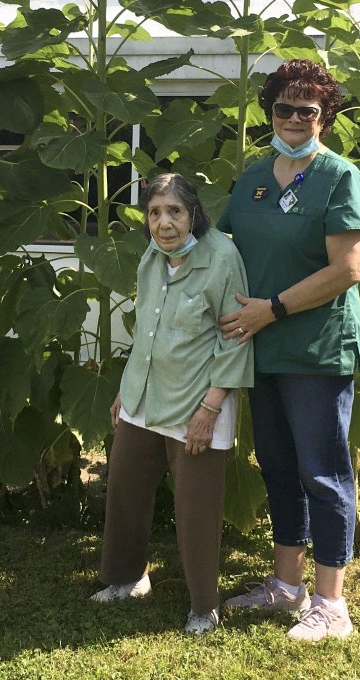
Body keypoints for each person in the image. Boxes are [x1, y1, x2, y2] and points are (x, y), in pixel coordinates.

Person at [217, 58, 360, 642]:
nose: (296, 118)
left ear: (324, 117)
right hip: (261, 346)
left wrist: (272, 308)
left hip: (315, 349)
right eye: (285, 108)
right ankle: (287, 587)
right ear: (270, 113)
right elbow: (220, 243)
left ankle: (332, 602)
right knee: (278, 467)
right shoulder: (254, 178)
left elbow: (348, 269)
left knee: (323, 472)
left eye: (309, 110)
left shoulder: (339, 177)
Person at [91, 172, 254, 636]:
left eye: (175, 212)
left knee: (196, 506)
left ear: (194, 214)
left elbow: (237, 336)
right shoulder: (153, 256)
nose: (165, 223)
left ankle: (204, 607)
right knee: (125, 486)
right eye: (155, 213)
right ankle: (127, 578)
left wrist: (210, 408)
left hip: (198, 401)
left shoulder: (222, 257)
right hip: (145, 392)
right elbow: (145, 327)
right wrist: (127, 387)